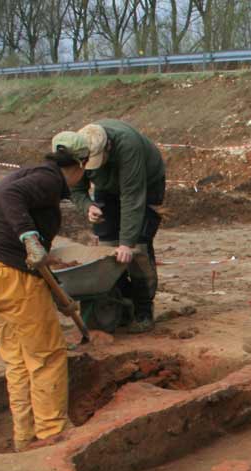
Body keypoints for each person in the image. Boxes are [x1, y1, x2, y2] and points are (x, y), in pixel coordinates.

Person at [0, 146, 86, 451]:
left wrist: (56, 293)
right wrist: (29, 239)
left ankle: (24, 436)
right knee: (47, 355)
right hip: (10, 274)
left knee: (18, 358)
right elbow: (11, 198)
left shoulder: (32, 172)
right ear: (80, 166)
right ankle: (51, 434)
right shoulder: (49, 180)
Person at [51, 120, 166, 334]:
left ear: (108, 148)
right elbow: (76, 189)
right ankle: (122, 304)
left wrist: (127, 243)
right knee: (107, 247)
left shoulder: (127, 147)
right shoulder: (77, 148)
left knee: (136, 249)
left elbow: (132, 198)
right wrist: (88, 206)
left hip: (145, 186)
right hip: (108, 188)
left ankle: (143, 311)